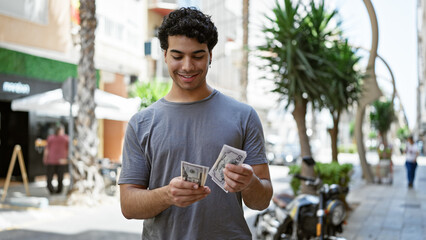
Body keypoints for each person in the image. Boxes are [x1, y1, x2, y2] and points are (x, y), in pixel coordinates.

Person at [119, 7, 273, 239]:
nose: (188, 66)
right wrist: (167, 195)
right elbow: (128, 206)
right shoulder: (141, 123)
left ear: (210, 55)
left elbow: (261, 202)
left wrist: (250, 182)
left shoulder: (244, 116)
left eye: (198, 56)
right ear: (165, 55)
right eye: (178, 56)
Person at [43, 124, 69, 194]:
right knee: (56, 177)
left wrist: (45, 158)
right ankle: (56, 190)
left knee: (54, 177)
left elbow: (47, 149)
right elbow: (47, 149)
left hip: (56, 161)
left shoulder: (64, 138)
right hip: (55, 160)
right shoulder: (65, 138)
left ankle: (55, 190)